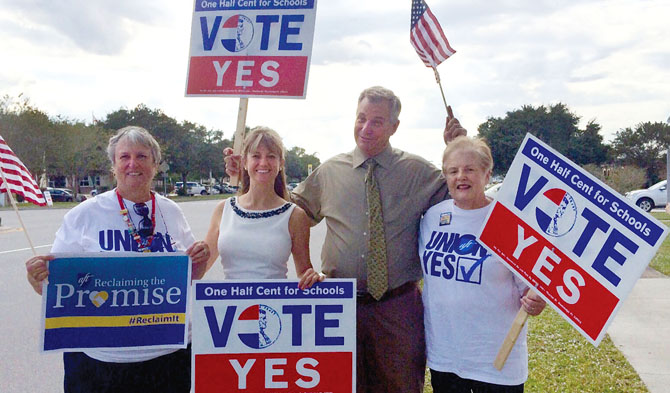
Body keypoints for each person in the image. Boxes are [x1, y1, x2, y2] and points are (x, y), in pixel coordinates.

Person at [225, 86, 466, 392]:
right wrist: (249, 174)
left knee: (402, 385)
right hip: (339, 306)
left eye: (377, 121)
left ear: (394, 127)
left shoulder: (419, 172)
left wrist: (460, 149)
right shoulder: (329, 173)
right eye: (361, 118)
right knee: (343, 385)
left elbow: (466, 197)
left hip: (398, 308)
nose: (366, 128)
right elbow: (278, 211)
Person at [25, 126, 210, 393]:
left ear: (155, 164)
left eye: (142, 156)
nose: (133, 164)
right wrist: (36, 277)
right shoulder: (84, 215)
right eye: (124, 157)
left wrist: (199, 259)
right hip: (101, 361)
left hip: (169, 355)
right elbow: (53, 286)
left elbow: (190, 274)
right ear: (113, 165)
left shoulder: (172, 212)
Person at [419, 136, 546, 393]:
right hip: (445, 357)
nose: (460, 177)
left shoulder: (508, 222)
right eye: (453, 171)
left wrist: (536, 301)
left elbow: (531, 290)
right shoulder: (433, 218)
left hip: (496, 362)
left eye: (470, 170)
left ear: (487, 175)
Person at [203, 126, 322, 288]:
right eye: (256, 156)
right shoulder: (223, 210)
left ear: (281, 164)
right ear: (244, 162)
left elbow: (304, 273)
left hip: (274, 308)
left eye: (271, 156)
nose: (263, 163)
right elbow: (201, 267)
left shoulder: (295, 216)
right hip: (230, 307)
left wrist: (314, 277)